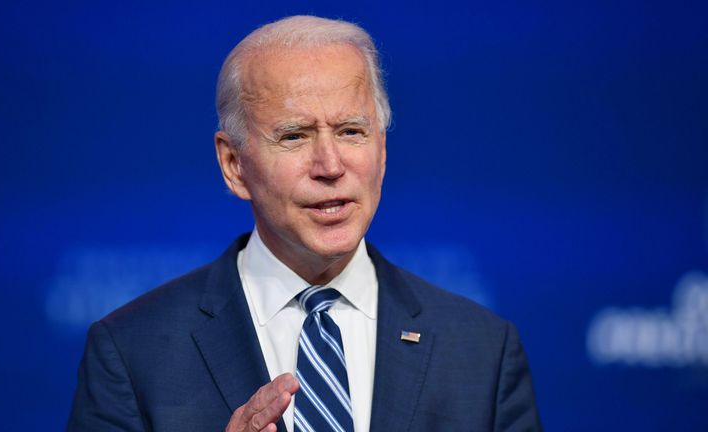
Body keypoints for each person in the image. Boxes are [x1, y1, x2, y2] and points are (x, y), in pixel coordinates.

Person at [67, 15, 542, 432]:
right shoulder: (132, 352)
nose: (330, 165)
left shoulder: (483, 351)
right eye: (294, 136)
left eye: (351, 132)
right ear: (234, 165)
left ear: (382, 149)